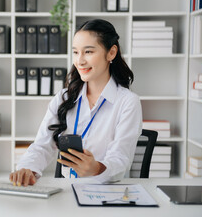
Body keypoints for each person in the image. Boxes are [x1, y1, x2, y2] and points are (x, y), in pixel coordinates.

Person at [10, 19, 142, 186]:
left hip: (107, 191)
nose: (79, 61)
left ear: (111, 53)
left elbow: (121, 158)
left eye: (88, 52)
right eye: (75, 52)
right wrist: (27, 168)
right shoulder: (64, 97)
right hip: (68, 189)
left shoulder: (128, 102)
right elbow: (42, 144)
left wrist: (97, 168)